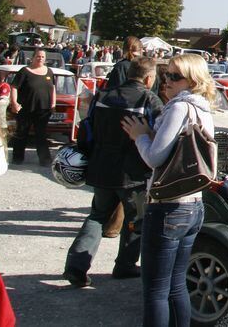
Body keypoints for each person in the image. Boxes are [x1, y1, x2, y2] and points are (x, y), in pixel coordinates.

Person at [121, 53, 215, 327]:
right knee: (176, 286)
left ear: (192, 81)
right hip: (193, 204)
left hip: (168, 206)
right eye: (166, 74)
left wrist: (140, 136)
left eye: (175, 76)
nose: (167, 81)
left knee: (156, 291)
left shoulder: (179, 108)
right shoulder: (203, 108)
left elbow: (154, 158)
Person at [63, 57, 162, 287]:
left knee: (97, 216)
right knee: (136, 220)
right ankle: (125, 265)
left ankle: (76, 266)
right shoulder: (148, 98)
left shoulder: (104, 94)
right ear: (149, 78)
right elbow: (160, 133)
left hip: (101, 168)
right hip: (133, 174)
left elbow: (88, 127)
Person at [8, 48, 55, 165]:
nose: (40, 58)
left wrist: (53, 104)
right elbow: (14, 87)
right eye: (38, 56)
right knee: (22, 133)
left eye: (43, 57)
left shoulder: (49, 71)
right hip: (25, 108)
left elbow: (53, 88)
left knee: (41, 135)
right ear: (33, 57)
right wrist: (14, 103)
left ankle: (45, 160)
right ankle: (17, 158)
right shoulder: (24, 71)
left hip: (43, 109)